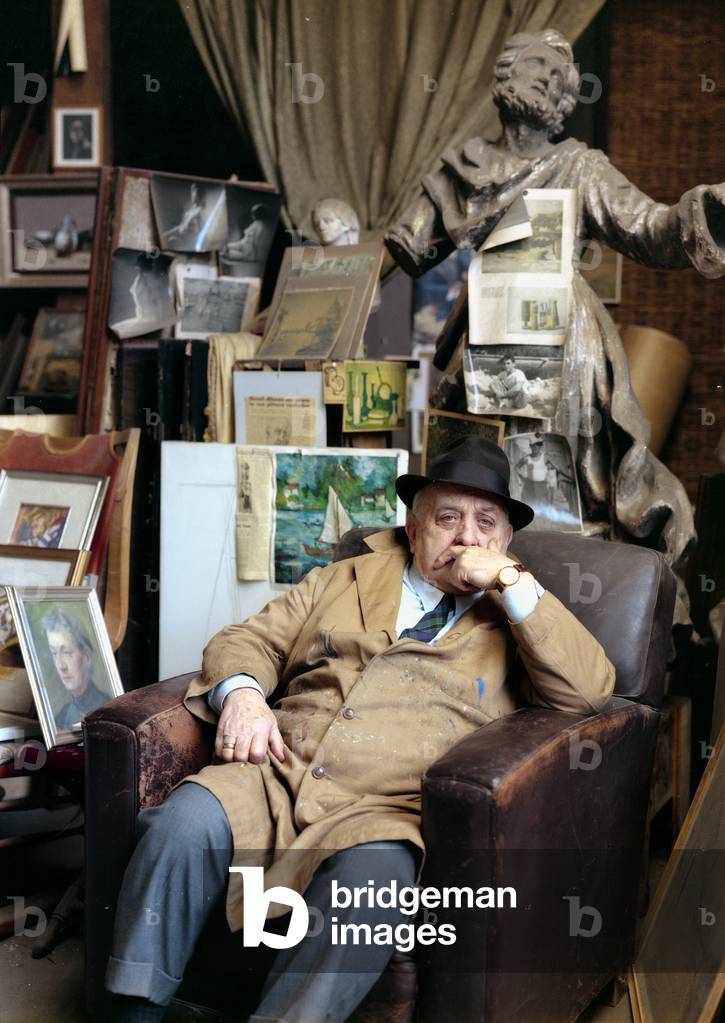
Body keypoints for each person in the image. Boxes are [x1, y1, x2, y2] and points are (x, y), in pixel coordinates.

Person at [106, 437, 615, 1023]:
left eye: (485, 524)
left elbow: (589, 691)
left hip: (387, 806)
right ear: (414, 526)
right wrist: (243, 695)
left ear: (505, 541)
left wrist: (512, 584)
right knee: (184, 822)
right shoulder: (342, 578)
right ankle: (132, 1011)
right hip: (276, 771)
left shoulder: (521, 612)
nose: (467, 537)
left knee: (372, 887)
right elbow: (244, 639)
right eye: (448, 519)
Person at [386, 29, 725, 578]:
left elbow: (648, 227)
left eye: (562, 77)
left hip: (562, 334)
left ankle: (546, 573)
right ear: (504, 75)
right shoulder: (458, 169)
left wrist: (702, 211)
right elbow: (410, 247)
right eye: (539, 64)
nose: (550, 78)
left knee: (554, 482)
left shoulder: (580, 167)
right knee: (477, 468)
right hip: (483, 331)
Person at [44, 610, 108, 730]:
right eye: (54, 653)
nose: (61, 666)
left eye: (67, 652)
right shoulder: (62, 717)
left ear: (86, 656)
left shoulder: (108, 707)